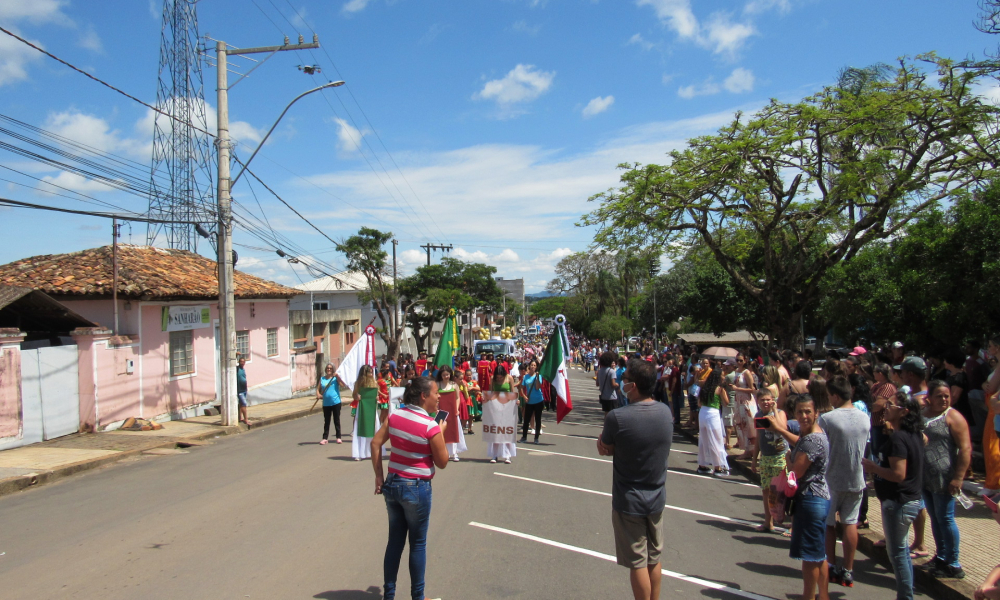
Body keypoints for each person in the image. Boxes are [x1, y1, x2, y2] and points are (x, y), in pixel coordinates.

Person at [596, 359, 673, 600]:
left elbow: (604, 447)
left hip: (629, 499)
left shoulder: (618, 417)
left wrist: (613, 446)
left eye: (626, 379)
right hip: (657, 496)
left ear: (635, 385)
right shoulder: (665, 411)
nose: (623, 383)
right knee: (654, 557)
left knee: (637, 561)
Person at [370, 376, 449, 600]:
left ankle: (390, 594)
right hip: (417, 488)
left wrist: (379, 476)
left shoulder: (395, 416)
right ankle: (418, 597)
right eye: (436, 393)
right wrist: (440, 432)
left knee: (395, 541)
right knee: (418, 543)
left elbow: (376, 443)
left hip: (393, 484)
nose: (439, 397)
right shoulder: (431, 425)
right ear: (424, 396)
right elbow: (442, 462)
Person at [862, 391, 925, 600]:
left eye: (891, 405)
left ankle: (905, 596)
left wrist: (874, 467)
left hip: (899, 502)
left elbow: (898, 474)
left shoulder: (899, 438)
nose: (885, 407)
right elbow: (924, 439)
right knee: (901, 552)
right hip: (906, 500)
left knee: (897, 554)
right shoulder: (913, 434)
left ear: (904, 412)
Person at [769, 394, 831, 600]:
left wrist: (787, 458)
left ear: (816, 413)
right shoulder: (813, 434)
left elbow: (796, 471)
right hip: (818, 498)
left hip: (810, 499)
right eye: (800, 411)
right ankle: (822, 596)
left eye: (808, 411)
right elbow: (801, 442)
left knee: (810, 557)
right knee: (818, 554)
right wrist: (780, 430)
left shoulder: (812, 439)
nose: (804, 415)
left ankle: (809, 597)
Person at [819, 376, 870, 588]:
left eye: (830, 395)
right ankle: (848, 569)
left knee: (829, 525)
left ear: (836, 396)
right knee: (850, 523)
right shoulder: (865, 417)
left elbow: (821, 447)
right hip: (856, 477)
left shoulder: (828, 418)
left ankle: (830, 564)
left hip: (831, 478)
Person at [921, 379, 972, 580]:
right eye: (939, 396)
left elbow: (966, 448)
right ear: (929, 398)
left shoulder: (954, 417)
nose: (943, 399)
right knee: (935, 518)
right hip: (926, 478)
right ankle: (941, 556)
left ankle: (954, 562)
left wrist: (958, 477)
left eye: (946, 396)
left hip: (945, 479)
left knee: (946, 518)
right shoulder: (923, 415)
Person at [751, 387, 787, 533]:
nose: (766, 402)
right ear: (758, 402)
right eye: (762, 400)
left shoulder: (780, 413)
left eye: (768, 399)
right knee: (766, 490)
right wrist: (755, 459)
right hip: (766, 457)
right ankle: (768, 522)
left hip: (780, 457)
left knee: (782, 492)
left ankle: (788, 523)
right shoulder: (758, 415)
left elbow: (782, 428)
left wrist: (775, 412)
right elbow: (759, 438)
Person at [696, 366, 730, 477]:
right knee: (716, 440)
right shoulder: (720, 389)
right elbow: (726, 402)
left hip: (703, 413)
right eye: (722, 375)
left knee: (703, 439)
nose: (723, 377)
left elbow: (699, 403)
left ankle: (702, 465)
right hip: (713, 414)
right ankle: (718, 467)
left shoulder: (704, 387)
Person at [435, 366, 467, 462]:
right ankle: (445, 452)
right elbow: (435, 397)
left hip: (452, 411)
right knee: (442, 432)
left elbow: (457, 398)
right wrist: (436, 408)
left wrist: (456, 409)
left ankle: (454, 452)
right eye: (444, 375)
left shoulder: (454, 385)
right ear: (441, 375)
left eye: (447, 374)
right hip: (441, 411)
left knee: (453, 431)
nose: (446, 376)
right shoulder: (438, 385)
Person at [488, 364, 517, 464]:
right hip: (496, 407)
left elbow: (512, 392)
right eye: (497, 377)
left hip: (507, 406)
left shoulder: (509, 378)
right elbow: (491, 392)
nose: (499, 379)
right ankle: (495, 455)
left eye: (501, 377)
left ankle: (507, 455)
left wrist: (515, 401)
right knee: (496, 432)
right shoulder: (492, 378)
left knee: (507, 431)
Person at [732, 354, 758, 460]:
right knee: (740, 425)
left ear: (745, 361)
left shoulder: (746, 373)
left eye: (741, 360)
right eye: (737, 360)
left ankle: (749, 451)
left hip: (746, 401)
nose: (739, 362)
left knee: (747, 425)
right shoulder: (736, 371)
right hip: (738, 401)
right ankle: (746, 449)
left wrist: (737, 389)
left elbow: (752, 389)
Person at [352, 365, 380, 461]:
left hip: (372, 408)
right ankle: (359, 452)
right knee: (361, 427)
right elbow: (354, 395)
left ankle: (372, 451)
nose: (371, 374)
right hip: (362, 408)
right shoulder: (358, 383)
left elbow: (377, 394)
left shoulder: (374, 382)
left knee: (374, 427)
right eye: (369, 372)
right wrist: (357, 396)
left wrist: (377, 398)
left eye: (372, 372)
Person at [317, 363, 343, 445]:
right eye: (328, 368)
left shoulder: (335, 379)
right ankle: (325, 438)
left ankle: (338, 437)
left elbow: (342, 385)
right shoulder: (322, 379)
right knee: (327, 421)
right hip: (326, 403)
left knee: (336, 420)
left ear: (333, 369)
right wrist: (318, 394)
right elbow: (318, 389)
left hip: (336, 402)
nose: (329, 369)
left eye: (330, 368)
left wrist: (337, 377)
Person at [519, 359, 545, 444]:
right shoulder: (525, 377)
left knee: (538, 419)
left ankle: (536, 437)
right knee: (526, 420)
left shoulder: (538, 376)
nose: (532, 367)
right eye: (531, 365)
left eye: (534, 365)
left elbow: (538, 387)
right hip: (529, 401)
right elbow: (521, 388)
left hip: (538, 400)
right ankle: (524, 437)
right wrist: (524, 396)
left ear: (536, 367)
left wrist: (537, 377)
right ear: (529, 366)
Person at [236, 356, 249, 426]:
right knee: (244, 404)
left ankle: (239, 417)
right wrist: (236, 355)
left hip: (244, 389)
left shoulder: (243, 369)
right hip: (240, 389)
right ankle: (246, 418)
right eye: (241, 361)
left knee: (241, 404)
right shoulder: (237, 369)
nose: (242, 363)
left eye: (243, 362)